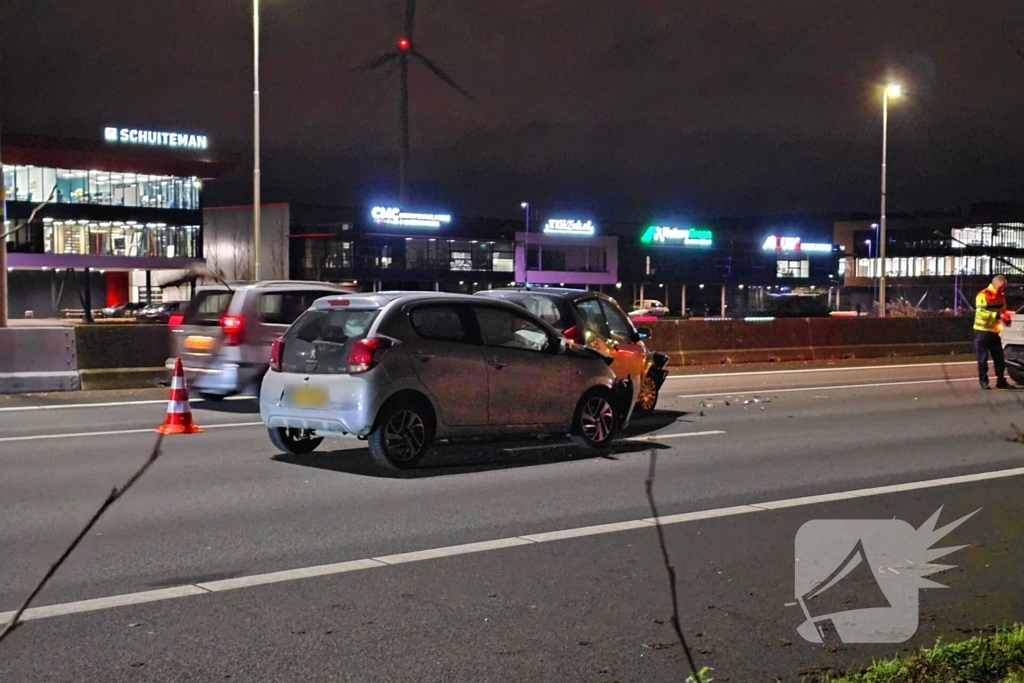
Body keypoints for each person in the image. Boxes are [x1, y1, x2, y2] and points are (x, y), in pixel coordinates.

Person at [973, 275, 1013, 390]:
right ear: (995, 284)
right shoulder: (983, 295)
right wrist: (997, 316)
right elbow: (981, 313)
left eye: (1004, 287)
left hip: (994, 332)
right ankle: (983, 381)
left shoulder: (1001, 296)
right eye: (1001, 287)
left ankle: (1001, 381)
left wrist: (1006, 318)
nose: (1002, 289)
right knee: (982, 359)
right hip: (982, 332)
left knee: (999, 359)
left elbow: (1003, 309)